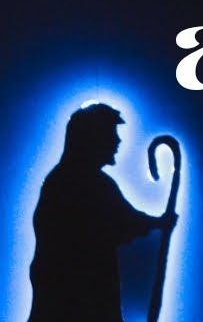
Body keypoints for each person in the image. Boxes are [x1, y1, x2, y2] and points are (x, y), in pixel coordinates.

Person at [28, 103, 176, 322]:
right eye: (111, 133)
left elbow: (122, 220)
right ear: (93, 139)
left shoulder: (68, 180)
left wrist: (157, 223)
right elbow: (122, 222)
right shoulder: (82, 183)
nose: (118, 141)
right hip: (78, 297)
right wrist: (159, 224)